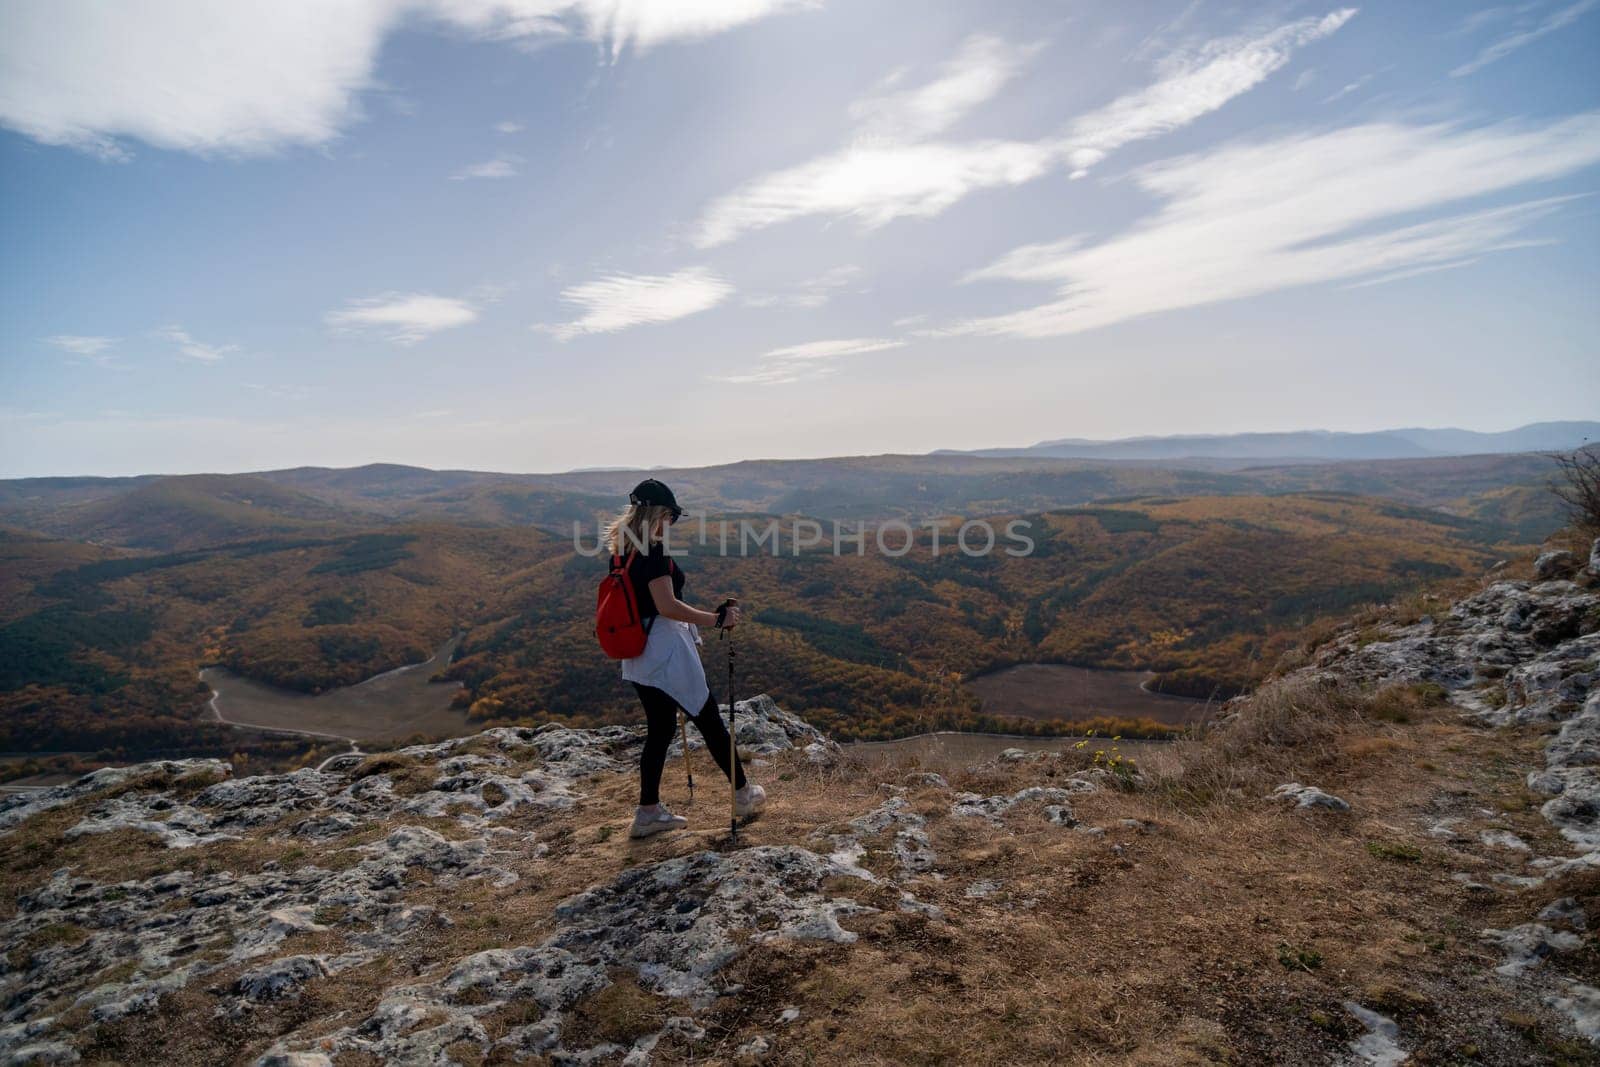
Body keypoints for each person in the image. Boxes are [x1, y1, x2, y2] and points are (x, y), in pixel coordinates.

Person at [605, 478, 765, 838]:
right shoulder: (653, 551)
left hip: (639, 654)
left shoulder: (622, 551)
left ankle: (648, 813)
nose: (672, 523)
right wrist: (715, 619)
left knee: (660, 730)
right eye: (671, 516)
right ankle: (743, 795)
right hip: (666, 650)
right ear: (659, 514)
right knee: (710, 721)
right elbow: (667, 606)